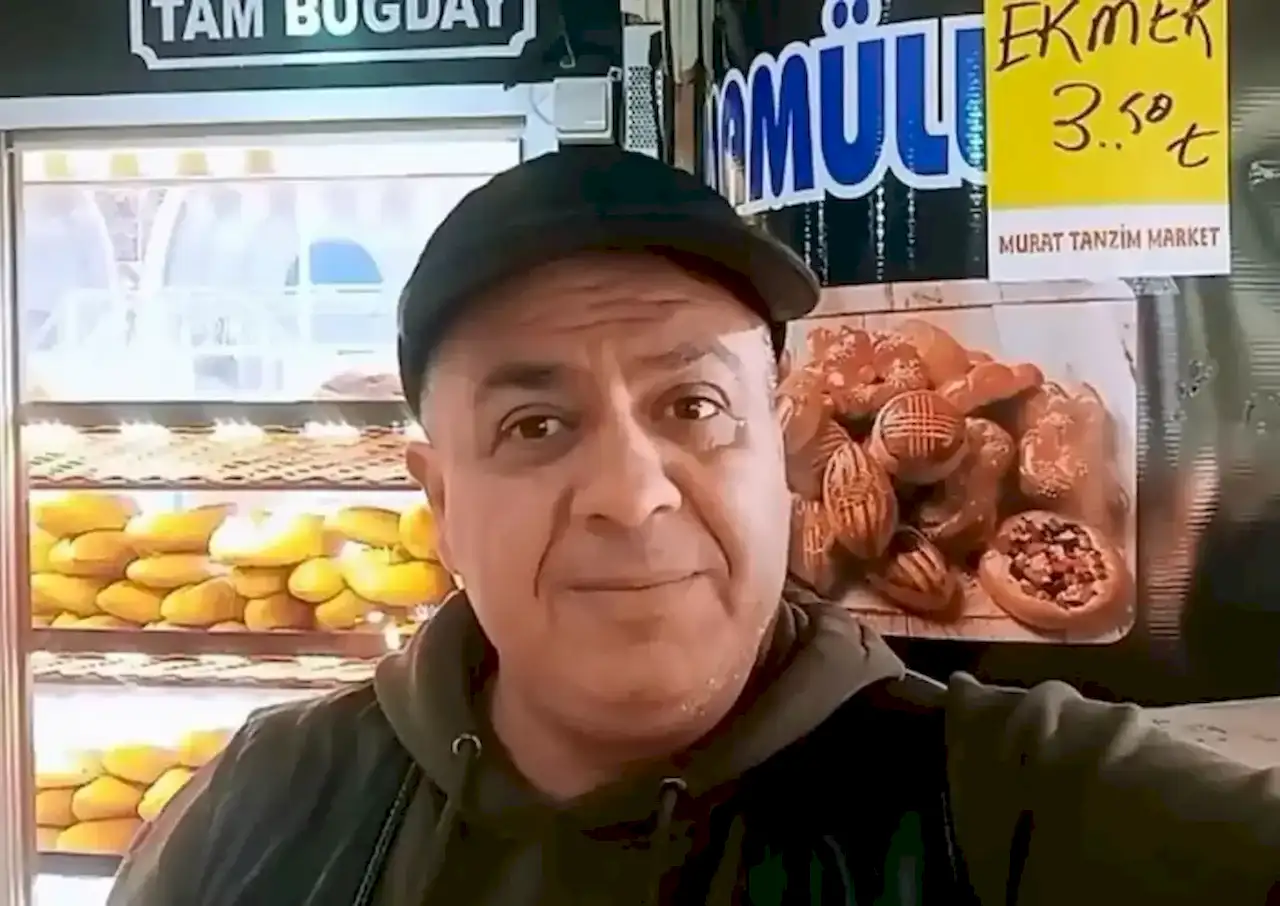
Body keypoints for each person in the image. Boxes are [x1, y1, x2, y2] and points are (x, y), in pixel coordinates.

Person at [108, 145, 1279, 906]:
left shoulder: (1014, 802)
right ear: (442, 503)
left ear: (780, 455)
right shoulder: (269, 806)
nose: (633, 493)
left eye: (693, 406)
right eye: (533, 425)